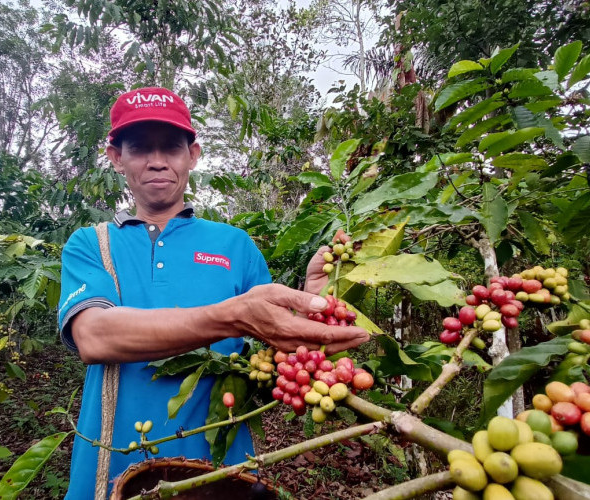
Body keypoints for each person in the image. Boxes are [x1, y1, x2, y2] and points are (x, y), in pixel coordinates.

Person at [57, 86, 370, 498]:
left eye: (170, 146)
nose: (156, 161)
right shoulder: (90, 244)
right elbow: (94, 336)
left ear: (193, 154)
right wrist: (231, 315)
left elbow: (278, 353)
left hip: (221, 465)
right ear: (117, 158)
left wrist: (314, 305)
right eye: (139, 148)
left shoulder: (234, 245)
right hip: (112, 460)